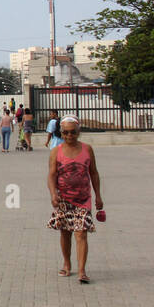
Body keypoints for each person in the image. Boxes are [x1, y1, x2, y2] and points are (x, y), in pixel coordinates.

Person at [46, 115, 103, 284]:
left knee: (81, 233)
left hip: (83, 199)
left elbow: (94, 173)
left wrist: (98, 195)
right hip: (63, 199)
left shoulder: (87, 149)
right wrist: (53, 194)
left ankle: (82, 270)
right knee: (65, 232)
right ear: (61, 133)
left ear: (79, 132)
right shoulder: (56, 151)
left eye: (73, 132)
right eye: (66, 133)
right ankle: (67, 263)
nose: (69, 136)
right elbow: (51, 175)